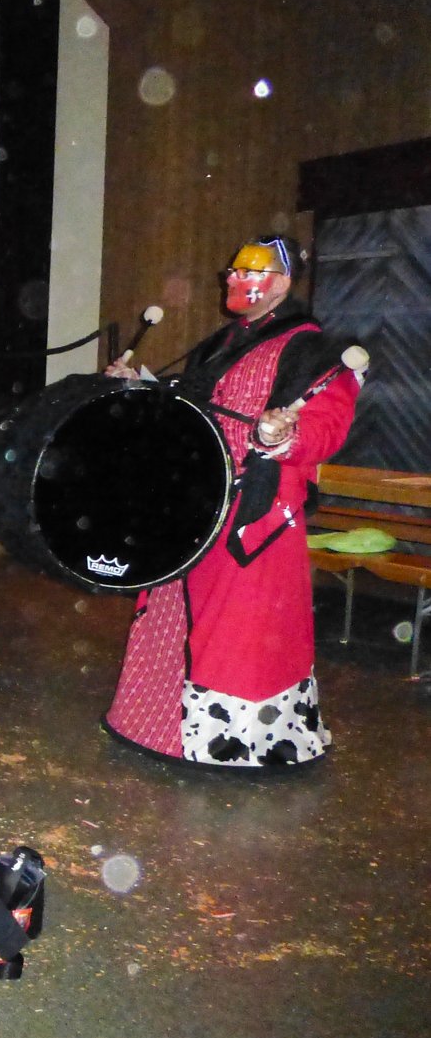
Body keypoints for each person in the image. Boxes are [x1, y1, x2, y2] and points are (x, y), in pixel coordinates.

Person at [102, 237, 361, 768]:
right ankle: (156, 728)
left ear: (283, 283)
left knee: (240, 630)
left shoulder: (312, 350)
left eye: (251, 271)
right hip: (197, 500)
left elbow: (328, 425)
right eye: (234, 270)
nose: (235, 280)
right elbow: (191, 405)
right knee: (173, 613)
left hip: (254, 511)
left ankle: (234, 746)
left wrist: (284, 436)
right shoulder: (223, 343)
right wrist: (142, 388)